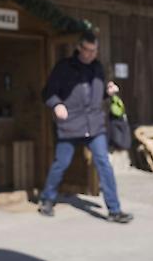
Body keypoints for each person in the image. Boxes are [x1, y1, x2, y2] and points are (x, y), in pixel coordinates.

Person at [38, 31, 133, 224]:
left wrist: (108, 92)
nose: (91, 54)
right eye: (88, 50)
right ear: (79, 48)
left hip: (95, 125)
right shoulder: (64, 67)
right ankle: (47, 199)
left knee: (104, 164)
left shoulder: (97, 68)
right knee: (61, 164)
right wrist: (57, 104)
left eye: (94, 50)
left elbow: (97, 95)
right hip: (71, 125)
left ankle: (115, 210)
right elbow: (48, 92)